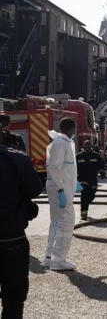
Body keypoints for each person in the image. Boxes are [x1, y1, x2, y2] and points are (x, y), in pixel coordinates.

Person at [0, 122, 41, 318]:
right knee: (13, 299)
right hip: (11, 240)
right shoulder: (16, 159)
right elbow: (34, 189)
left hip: (12, 240)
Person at [44, 118, 79, 271]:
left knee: (57, 222)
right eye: (74, 129)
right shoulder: (60, 143)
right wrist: (60, 190)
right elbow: (54, 168)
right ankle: (59, 259)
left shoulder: (63, 143)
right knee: (66, 222)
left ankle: (50, 257)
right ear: (71, 128)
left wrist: (73, 184)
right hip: (60, 190)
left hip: (62, 188)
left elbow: (65, 169)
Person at [77, 140, 105, 221]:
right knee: (84, 196)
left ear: (91, 146)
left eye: (88, 144)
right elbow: (73, 167)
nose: (87, 146)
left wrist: (102, 171)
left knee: (92, 194)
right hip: (82, 179)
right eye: (85, 144)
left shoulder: (96, 156)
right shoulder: (78, 156)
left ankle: (85, 205)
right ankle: (83, 213)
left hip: (93, 179)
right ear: (83, 146)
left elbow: (101, 164)